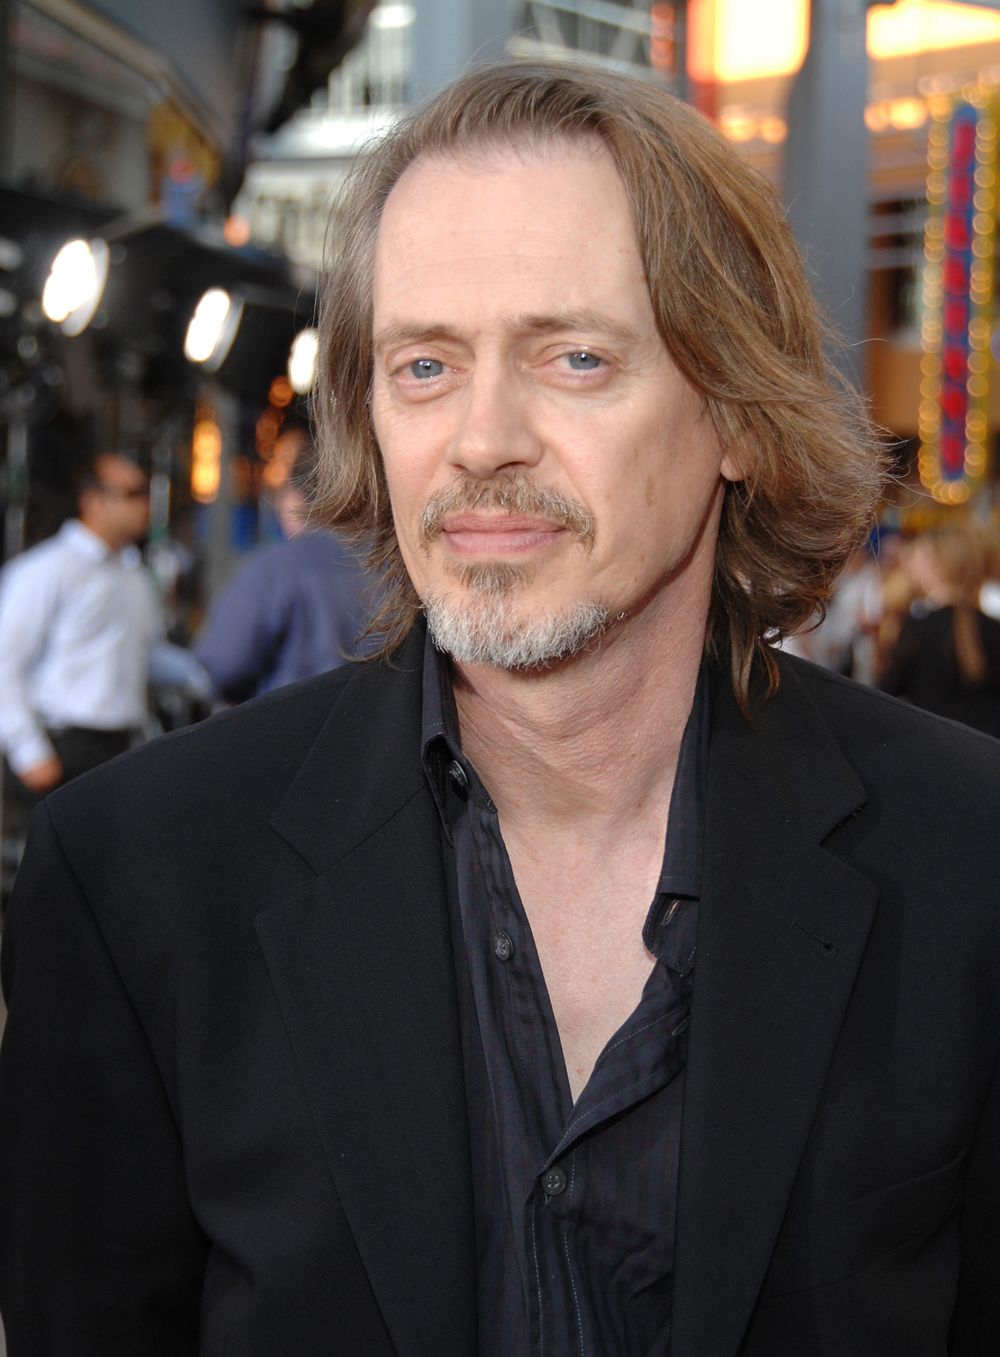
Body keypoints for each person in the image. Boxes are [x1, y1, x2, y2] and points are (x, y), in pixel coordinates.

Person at [1, 61, 998, 1357]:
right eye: (424, 365)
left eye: (573, 357)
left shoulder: (967, 860)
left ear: (738, 419)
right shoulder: (136, 879)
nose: (480, 439)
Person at [0, 452, 161, 795]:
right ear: (94, 500)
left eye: (146, 493)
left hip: (122, 746)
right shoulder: (46, 569)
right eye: (133, 493)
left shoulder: (134, 574)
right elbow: (6, 661)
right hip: (63, 746)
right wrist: (28, 751)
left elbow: (148, 654)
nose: (145, 505)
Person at [194, 448, 372, 702]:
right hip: (373, 719)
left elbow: (222, 664)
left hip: (293, 717)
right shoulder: (389, 567)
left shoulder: (276, 569)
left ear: (295, 499)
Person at [880, 523, 1000, 736]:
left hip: (931, 743)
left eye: (919, 556)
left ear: (935, 564)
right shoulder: (992, 627)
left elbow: (890, 688)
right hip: (984, 747)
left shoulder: (918, 626)